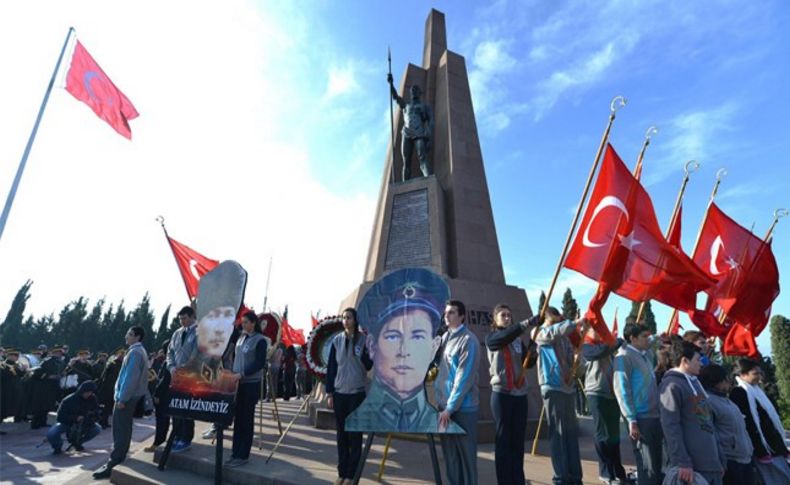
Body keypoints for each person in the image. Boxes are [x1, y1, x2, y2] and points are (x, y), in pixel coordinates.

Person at [346, 269, 458, 434]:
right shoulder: (356, 420)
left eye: (418, 337)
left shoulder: (438, 424)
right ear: (371, 346)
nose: (404, 351)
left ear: (433, 348)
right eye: (393, 337)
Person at [485, 304, 540, 485]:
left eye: (510, 315)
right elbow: (502, 338)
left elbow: (528, 364)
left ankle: (518, 480)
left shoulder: (517, 340)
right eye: (503, 315)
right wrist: (526, 323)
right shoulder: (493, 337)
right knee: (504, 441)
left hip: (520, 394)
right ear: (495, 319)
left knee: (517, 442)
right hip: (502, 394)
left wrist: (533, 352)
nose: (508, 318)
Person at [659, 340, 724, 485]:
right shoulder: (671, 386)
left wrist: (719, 458)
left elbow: (708, 423)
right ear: (684, 361)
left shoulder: (695, 382)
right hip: (692, 467)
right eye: (697, 360)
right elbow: (671, 426)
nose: (701, 364)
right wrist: (682, 461)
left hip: (711, 463)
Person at [535, 306, 587, 485]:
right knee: (558, 434)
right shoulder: (539, 332)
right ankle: (561, 477)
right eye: (555, 316)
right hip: (552, 387)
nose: (559, 319)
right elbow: (551, 334)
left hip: (568, 388)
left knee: (570, 434)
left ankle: (575, 476)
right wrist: (574, 323)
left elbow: (578, 370)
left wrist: (577, 360)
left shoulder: (565, 338)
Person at [93, 326, 150, 479]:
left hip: (126, 398)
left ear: (137, 337)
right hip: (131, 396)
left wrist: (122, 399)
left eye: (130, 334)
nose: (126, 336)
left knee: (120, 429)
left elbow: (130, 378)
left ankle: (115, 460)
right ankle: (120, 456)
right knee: (124, 428)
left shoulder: (135, 352)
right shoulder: (140, 351)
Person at [326, 308, 373, 485]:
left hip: (357, 393)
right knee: (341, 435)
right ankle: (342, 472)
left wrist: (363, 353)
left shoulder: (363, 339)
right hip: (339, 393)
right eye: (344, 318)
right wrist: (329, 393)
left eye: (349, 317)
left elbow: (369, 365)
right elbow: (331, 369)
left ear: (355, 320)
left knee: (354, 435)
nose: (346, 320)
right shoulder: (336, 341)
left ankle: (352, 475)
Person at [436, 299, 481, 485]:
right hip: (444, 407)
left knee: (466, 457)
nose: (447, 315)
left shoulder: (469, 340)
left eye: (452, 312)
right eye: (446, 312)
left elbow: (464, 378)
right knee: (450, 455)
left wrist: (450, 408)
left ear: (462, 316)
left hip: (463, 409)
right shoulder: (445, 337)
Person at [613, 323, 663, 485]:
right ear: (632, 338)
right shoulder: (623, 357)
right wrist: (631, 420)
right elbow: (622, 390)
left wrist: (659, 337)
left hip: (654, 415)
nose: (647, 339)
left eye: (648, 336)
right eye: (644, 337)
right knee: (647, 466)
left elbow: (654, 341)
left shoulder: (643, 355)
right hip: (640, 417)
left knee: (656, 464)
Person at [729, 358, 790, 484]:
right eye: (755, 374)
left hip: (772, 444)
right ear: (742, 374)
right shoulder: (739, 393)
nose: (759, 377)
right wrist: (760, 449)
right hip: (760, 448)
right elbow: (748, 423)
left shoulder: (758, 391)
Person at [581, 328, 627, 484]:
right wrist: (614, 343)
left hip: (611, 393)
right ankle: (605, 471)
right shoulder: (586, 345)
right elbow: (597, 353)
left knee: (614, 434)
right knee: (602, 433)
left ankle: (617, 469)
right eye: (595, 328)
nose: (599, 331)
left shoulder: (606, 345)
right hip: (596, 393)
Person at [698, 364, 754, 485]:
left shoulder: (727, 400)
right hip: (730, 461)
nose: (728, 383)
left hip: (745, 458)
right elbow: (709, 433)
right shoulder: (708, 402)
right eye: (725, 380)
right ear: (716, 382)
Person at [225, 311, 268, 467]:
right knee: (238, 419)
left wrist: (241, 374)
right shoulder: (241, 339)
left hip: (250, 384)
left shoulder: (260, 340)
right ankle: (235, 452)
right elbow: (235, 358)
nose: (242, 325)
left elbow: (259, 363)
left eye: (245, 322)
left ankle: (243, 455)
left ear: (253, 323)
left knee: (246, 419)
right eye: (242, 322)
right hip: (238, 384)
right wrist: (231, 372)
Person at [387, 74, 433, 180]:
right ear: (410, 93)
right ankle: (404, 187)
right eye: (412, 90)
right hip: (407, 132)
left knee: (422, 157)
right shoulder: (406, 105)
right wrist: (391, 84)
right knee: (406, 161)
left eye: (416, 90)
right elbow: (395, 97)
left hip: (419, 133)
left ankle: (429, 181)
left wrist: (429, 133)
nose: (414, 91)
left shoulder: (424, 106)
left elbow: (431, 121)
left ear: (419, 93)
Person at [167, 305, 198, 453]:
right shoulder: (177, 333)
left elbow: (198, 353)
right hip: (176, 376)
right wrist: (172, 367)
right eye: (180, 319)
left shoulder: (200, 332)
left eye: (184, 318)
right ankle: (176, 436)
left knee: (186, 408)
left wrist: (185, 368)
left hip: (191, 377)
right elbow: (170, 352)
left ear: (192, 317)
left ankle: (186, 439)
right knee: (176, 407)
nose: (182, 322)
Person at [47, 380, 102, 454]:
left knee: (97, 429)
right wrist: (75, 418)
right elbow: (60, 417)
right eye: (87, 392)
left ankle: (77, 443)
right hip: (67, 423)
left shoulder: (92, 398)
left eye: (91, 392)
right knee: (52, 433)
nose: (89, 394)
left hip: (85, 423)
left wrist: (89, 418)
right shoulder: (68, 400)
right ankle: (57, 447)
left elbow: (97, 413)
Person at [144, 340, 172, 452]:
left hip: (163, 397)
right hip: (168, 396)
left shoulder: (168, 362)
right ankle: (161, 441)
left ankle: (157, 443)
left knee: (161, 421)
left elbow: (164, 380)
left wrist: (157, 394)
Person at [96, 347, 125, 429]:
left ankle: (106, 422)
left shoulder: (123, 364)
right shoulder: (112, 363)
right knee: (104, 407)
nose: (122, 355)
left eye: (123, 354)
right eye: (121, 353)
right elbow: (104, 375)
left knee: (109, 407)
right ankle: (102, 422)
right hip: (108, 387)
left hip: (116, 387)